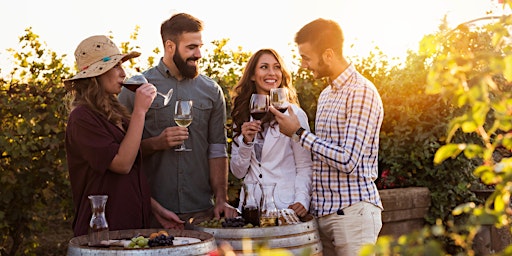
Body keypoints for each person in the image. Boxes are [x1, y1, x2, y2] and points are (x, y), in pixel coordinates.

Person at [269, 18, 384, 255]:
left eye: (307, 57)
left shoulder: (361, 92)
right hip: (324, 216)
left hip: (353, 216)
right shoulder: (326, 95)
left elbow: (348, 160)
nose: (303, 65)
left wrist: (299, 133)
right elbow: (320, 158)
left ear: (328, 54)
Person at [118, 13, 238, 227]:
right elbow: (119, 154)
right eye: (191, 47)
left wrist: (221, 199)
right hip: (152, 211)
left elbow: (218, 149)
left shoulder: (211, 91)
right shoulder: (136, 88)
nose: (199, 54)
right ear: (170, 46)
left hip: (202, 211)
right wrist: (157, 143)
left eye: (200, 46)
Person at [64, 35, 161, 236]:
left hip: (130, 229)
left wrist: (157, 211)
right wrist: (140, 111)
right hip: (102, 234)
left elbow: (129, 178)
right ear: (96, 75)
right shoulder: (82, 118)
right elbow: (122, 164)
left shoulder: (117, 115)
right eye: (115, 67)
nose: (123, 73)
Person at [229, 48, 313, 218]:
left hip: (285, 206)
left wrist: (302, 200)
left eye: (276, 67)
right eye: (264, 67)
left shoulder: (294, 114)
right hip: (250, 208)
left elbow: (304, 165)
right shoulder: (242, 115)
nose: (272, 73)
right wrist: (246, 142)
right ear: (252, 75)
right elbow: (238, 172)